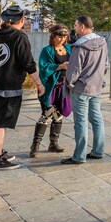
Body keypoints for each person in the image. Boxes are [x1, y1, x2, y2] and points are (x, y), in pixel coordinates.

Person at [0, 5, 45, 170]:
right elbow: (28, 63)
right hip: (10, 87)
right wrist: (39, 84)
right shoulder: (19, 37)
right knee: (1, 122)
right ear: (22, 20)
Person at [62, 15, 109, 164]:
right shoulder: (102, 43)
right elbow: (106, 65)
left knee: (80, 122)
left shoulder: (79, 46)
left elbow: (74, 70)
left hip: (81, 88)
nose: (75, 28)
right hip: (96, 87)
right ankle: (98, 151)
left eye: (76, 25)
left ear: (82, 26)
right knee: (97, 119)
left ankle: (79, 156)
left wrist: (70, 83)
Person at [30, 24, 70, 158]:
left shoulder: (68, 48)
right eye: (59, 36)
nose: (62, 39)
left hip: (63, 88)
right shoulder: (47, 50)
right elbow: (43, 67)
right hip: (50, 89)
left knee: (58, 115)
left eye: (64, 36)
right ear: (53, 36)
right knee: (47, 114)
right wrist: (60, 66)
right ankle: (35, 145)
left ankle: (53, 143)